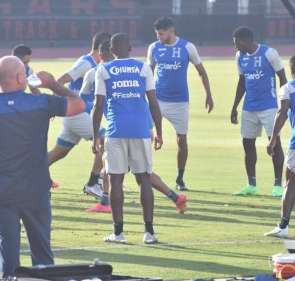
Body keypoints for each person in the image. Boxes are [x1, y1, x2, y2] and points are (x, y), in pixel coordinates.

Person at [0, 56, 85, 278]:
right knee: (42, 258)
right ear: (21, 77)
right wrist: (53, 84)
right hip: (35, 191)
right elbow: (79, 104)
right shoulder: (40, 103)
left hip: (1, 193)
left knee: (9, 259)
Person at [83, 40, 187, 214]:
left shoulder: (100, 72)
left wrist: (150, 128)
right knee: (117, 168)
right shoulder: (122, 71)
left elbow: (93, 103)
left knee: (138, 174)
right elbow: (148, 102)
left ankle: (175, 197)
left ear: (108, 53)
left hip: (125, 129)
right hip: (134, 126)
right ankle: (105, 200)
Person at [93, 33, 163, 244]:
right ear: (130, 47)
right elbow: (153, 102)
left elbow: (98, 105)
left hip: (115, 131)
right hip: (141, 130)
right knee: (143, 179)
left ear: (111, 51)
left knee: (115, 180)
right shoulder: (143, 68)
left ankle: (118, 233)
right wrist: (158, 131)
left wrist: (96, 136)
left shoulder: (103, 69)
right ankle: (149, 233)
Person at [148, 16, 213, 191]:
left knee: (181, 139)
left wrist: (208, 95)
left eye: (161, 34)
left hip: (180, 102)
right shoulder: (154, 48)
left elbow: (201, 71)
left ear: (171, 30)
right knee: (146, 133)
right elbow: (149, 72)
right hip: (158, 100)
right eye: (157, 34)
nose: (159, 37)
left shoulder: (187, 47)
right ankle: (146, 172)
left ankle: (180, 178)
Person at [48, 32, 109, 195]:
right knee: (107, 142)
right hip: (76, 115)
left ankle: (28, 174)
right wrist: (54, 106)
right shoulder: (86, 64)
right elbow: (59, 81)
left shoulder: (92, 64)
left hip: (75, 115)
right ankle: (94, 182)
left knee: (58, 153)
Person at [231, 26, 288, 197]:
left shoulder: (268, 53)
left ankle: (278, 186)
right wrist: (234, 106)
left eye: (237, 43)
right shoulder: (239, 57)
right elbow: (242, 81)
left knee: (274, 143)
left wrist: (284, 102)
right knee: (247, 144)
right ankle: (251, 184)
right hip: (249, 108)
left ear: (246, 40)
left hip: (269, 106)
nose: (235, 47)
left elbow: (282, 77)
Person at [0, 44, 40, 190]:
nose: (27, 65)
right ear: (15, 59)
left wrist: (43, 108)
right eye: (24, 62)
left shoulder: (29, 71)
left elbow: (35, 90)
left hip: (19, 115)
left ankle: (35, 177)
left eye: (28, 62)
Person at [264, 54, 295, 238]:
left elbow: (282, 113)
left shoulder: (288, 87)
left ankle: (283, 226)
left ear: (291, 71)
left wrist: (273, 138)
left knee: (291, 182)